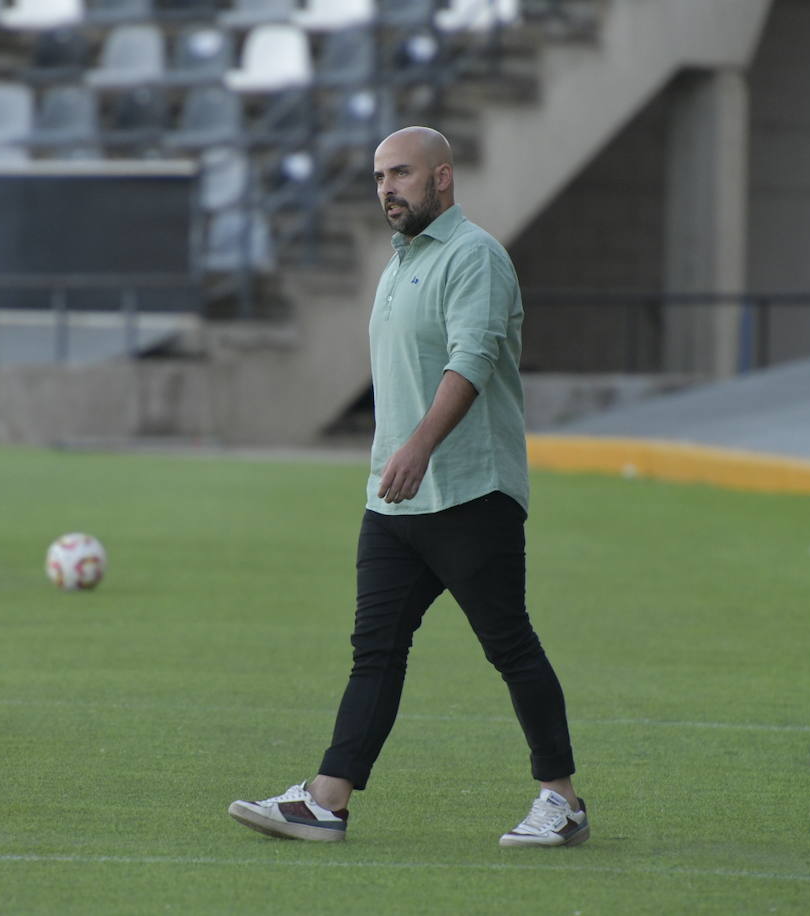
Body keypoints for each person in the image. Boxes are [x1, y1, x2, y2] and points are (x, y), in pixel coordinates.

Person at [228, 127, 587, 846]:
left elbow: (472, 359)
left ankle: (563, 802)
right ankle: (327, 801)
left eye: (401, 174)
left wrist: (419, 447)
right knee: (375, 650)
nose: (386, 189)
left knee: (509, 645)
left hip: (471, 490)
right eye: (378, 177)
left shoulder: (475, 256)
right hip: (393, 501)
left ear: (442, 177)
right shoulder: (399, 261)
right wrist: (397, 463)